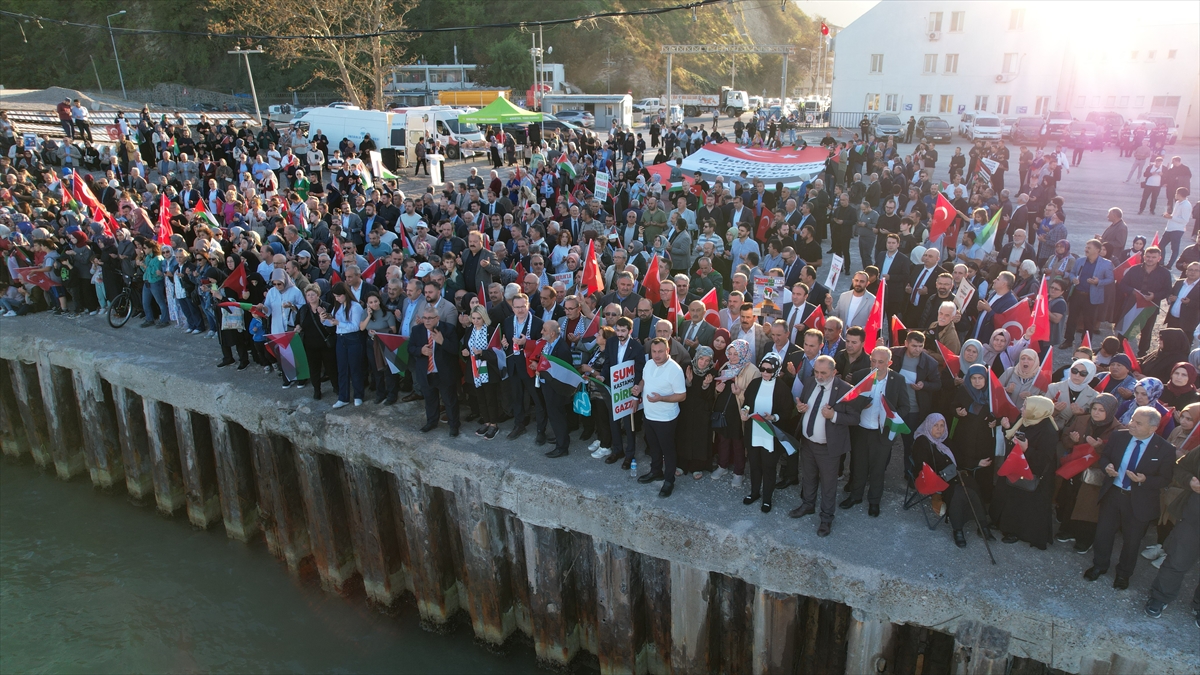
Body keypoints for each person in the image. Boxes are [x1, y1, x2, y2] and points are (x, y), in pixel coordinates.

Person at [1084, 406, 1176, 589]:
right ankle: (1099, 566)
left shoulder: (1165, 449)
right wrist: (1107, 466)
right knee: (1103, 534)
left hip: (1139, 501)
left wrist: (1145, 480)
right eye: (1133, 419)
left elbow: (1166, 478)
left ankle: (1124, 574)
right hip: (1113, 494)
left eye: (1138, 423)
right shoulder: (1119, 436)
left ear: (1152, 429)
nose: (1131, 424)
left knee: (1132, 541)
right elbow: (1105, 457)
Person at [790, 355, 861, 536]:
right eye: (816, 372)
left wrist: (834, 416)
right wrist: (801, 408)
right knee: (808, 477)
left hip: (828, 448)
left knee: (829, 485)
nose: (819, 376)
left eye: (823, 373)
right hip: (807, 442)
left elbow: (855, 418)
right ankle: (808, 505)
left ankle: (826, 518)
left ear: (834, 372)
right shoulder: (810, 382)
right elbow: (805, 405)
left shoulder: (845, 390)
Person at [1055, 394, 1124, 554]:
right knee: (1070, 500)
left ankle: (1085, 539)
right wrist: (1072, 440)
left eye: (1101, 410)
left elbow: (1117, 456)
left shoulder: (1119, 430)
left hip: (1095, 473)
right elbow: (1065, 438)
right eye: (1094, 409)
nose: (1096, 413)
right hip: (1075, 468)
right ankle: (1068, 529)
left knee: (1088, 507)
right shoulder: (1081, 420)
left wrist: (1100, 448)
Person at [911, 413, 993, 548]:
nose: (939, 429)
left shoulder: (946, 440)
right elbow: (921, 468)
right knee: (957, 491)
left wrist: (978, 462)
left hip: (954, 475)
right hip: (936, 479)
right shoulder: (922, 442)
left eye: (942, 426)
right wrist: (943, 475)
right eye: (935, 426)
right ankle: (958, 530)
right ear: (928, 426)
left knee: (971, 486)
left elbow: (960, 458)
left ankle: (982, 525)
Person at [842, 346, 904, 516]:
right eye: (873, 361)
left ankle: (874, 501)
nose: (876, 365)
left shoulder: (897, 380)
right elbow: (849, 403)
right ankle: (855, 496)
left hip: (882, 432)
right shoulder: (860, 376)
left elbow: (905, 406)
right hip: (861, 430)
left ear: (889, 363)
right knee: (858, 465)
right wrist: (860, 405)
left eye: (881, 362)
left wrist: (892, 415)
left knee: (877, 469)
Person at [993, 396, 1059, 550]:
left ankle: (1023, 533)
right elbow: (1013, 438)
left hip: (1036, 475)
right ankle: (1009, 528)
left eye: (1025, 407)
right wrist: (1007, 428)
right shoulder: (1025, 419)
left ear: (1036, 410)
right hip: (1018, 467)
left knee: (1028, 505)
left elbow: (1045, 459)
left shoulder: (1048, 431)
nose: (1022, 409)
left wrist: (1027, 450)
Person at [1144, 442, 1200, 622]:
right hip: (1193, 519)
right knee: (1177, 559)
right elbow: (1181, 467)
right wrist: (1190, 480)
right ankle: (1160, 597)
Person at [739, 353, 796, 513]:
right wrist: (744, 412)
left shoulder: (782, 388)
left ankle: (767, 499)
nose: (765, 373)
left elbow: (788, 412)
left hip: (770, 435)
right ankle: (755, 492)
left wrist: (774, 417)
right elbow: (747, 404)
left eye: (769, 370)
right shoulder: (755, 383)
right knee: (754, 464)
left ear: (777, 370)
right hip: (754, 431)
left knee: (769, 467)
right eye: (763, 369)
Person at [636, 337, 687, 498]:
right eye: (654, 351)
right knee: (653, 447)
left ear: (667, 351)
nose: (656, 355)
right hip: (649, 414)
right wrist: (639, 387)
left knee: (668, 450)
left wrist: (661, 398)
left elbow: (682, 396)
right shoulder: (649, 363)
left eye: (660, 351)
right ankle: (655, 472)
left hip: (666, 418)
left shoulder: (675, 370)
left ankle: (669, 480)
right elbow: (645, 379)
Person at [711, 335, 757, 488]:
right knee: (723, 439)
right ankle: (722, 466)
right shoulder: (726, 366)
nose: (732, 357)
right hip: (724, 412)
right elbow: (718, 389)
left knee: (738, 443)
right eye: (729, 353)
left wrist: (740, 393)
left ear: (743, 353)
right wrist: (717, 391)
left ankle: (738, 473)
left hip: (739, 413)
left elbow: (754, 397)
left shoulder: (752, 371)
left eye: (736, 354)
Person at [408, 306, 461, 436]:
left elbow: (455, 349)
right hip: (427, 372)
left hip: (444, 373)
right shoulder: (417, 330)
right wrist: (420, 350)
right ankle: (431, 422)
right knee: (430, 400)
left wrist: (443, 342)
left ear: (437, 318)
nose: (426, 321)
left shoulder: (448, 329)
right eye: (424, 318)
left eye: (430, 318)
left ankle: (454, 425)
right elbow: (410, 348)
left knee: (449, 400)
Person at [602, 316, 645, 470]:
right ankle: (617, 450)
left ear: (630, 330)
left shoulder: (637, 347)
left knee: (629, 424)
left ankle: (629, 454)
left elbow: (639, 372)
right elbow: (608, 362)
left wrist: (635, 394)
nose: (619, 333)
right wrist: (603, 375)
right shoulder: (612, 342)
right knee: (613, 421)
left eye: (623, 331)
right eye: (617, 330)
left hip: (628, 391)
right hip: (613, 389)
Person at [323, 282, 367, 408]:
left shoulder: (355, 306)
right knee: (342, 369)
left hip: (353, 339)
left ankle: (358, 395)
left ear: (345, 294)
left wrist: (339, 323)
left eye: (338, 296)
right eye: (335, 296)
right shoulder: (337, 306)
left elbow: (356, 326)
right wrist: (324, 319)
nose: (336, 299)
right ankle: (343, 397)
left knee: (355, 368)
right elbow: (332, 323)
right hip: (340, 339)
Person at [536, 320, 575, 458]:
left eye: (544, 330)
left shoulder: (562, 349)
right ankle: (560, 438)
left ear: (552, 333)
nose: (541, 332)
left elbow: (561, 373)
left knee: (557, 416)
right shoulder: (550, 343)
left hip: (556, 390)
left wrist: (540, 369)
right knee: (554, 416)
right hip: (548, 387)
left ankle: (562, 447)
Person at [676, 346, 716, 480]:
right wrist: (688, 382)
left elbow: (710, 398)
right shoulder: (687, 367)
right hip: (686, 409)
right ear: (696, 357)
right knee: (684, 434)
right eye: (701, 359)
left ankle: (697, 466)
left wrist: (705, 385)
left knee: (699, 438)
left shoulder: (712, 372)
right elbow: (678, 389)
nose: (703, 363)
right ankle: (681, 464)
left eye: (707, 360)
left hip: (701, 412)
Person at [295, 286, 336, 400]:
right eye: (308, 295)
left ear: (318, 295)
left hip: (325, 344)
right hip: (310, 345)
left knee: (331, 367)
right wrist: (297, 327)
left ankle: (336, 387)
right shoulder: (303, 309)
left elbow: (333, 327)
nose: (311, 297)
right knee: (314, 369)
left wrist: (324, 317)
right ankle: (317, 390)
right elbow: (298, 322)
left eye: (313, 294)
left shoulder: (327, 307)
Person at [362, 292, 398, 404]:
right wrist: (368, 315)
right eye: (371, 302)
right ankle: (380, 393)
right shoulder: (365, 313)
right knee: (376, 370)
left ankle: (392, 395)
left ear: (379, 301)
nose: (374, 304)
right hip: (371, 344)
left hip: (385, 344)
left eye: (376, 301)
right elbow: (362, 327)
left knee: (388, 370)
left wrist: (379, 333)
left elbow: (394, 330)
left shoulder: (387, 313)